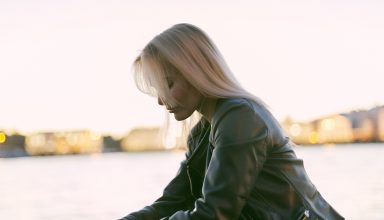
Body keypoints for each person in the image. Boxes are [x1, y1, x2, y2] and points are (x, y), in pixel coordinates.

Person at [119, 23, 344, 220]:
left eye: (168, 84)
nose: (160, 100)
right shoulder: (202, 133)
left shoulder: (241, 117)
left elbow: (215, 214)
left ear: (195, 72)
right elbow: (173, 201)